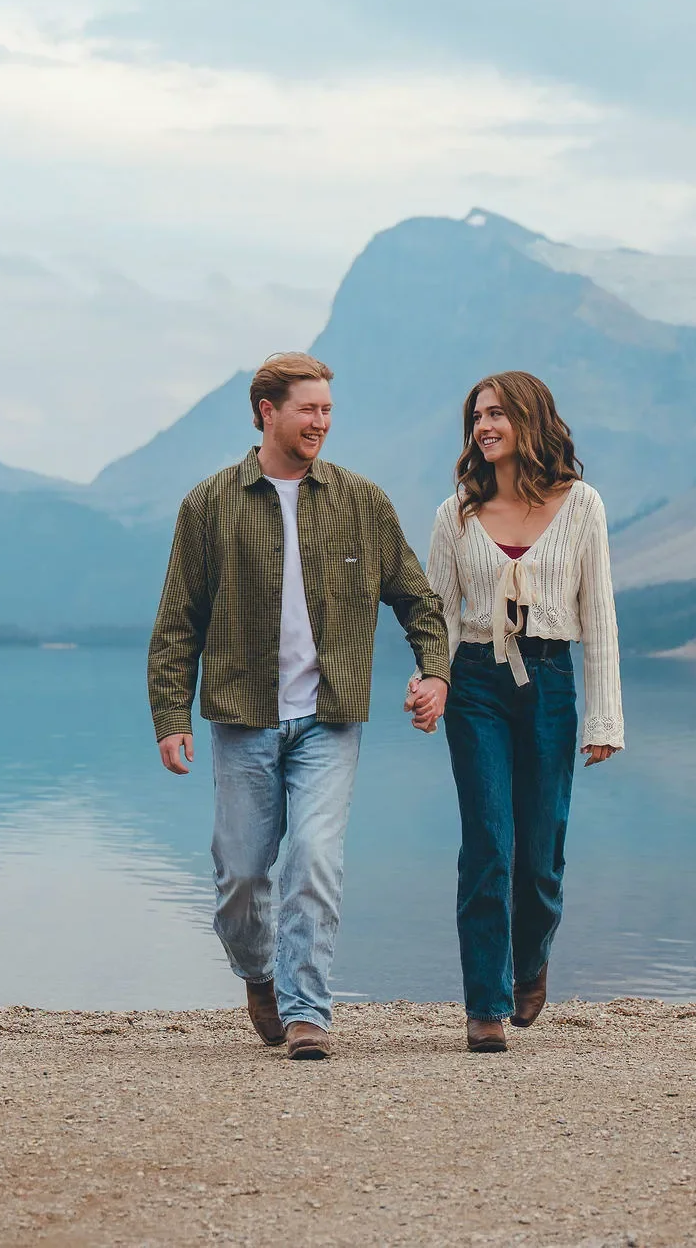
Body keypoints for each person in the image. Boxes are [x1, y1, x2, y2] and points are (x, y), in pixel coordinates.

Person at [148, 352, 451, 1061]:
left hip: (329, 717)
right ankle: (259, 975)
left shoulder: (362, 502)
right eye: (308, 410)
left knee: (314, 858)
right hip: (242, 716)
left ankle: (307, 1010)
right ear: (267, 413)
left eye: (327, 412)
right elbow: (177, 621)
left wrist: (434, 672)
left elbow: (418, 600)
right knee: (242, 874)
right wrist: (170, 716)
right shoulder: (210, 503)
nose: (320, 423)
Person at [417, 370, 622, 1054]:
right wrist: (432, 681)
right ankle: (486, 1004)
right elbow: (439, 615)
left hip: (552, 681)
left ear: (531, 420)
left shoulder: (583, 505)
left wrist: (604, 718)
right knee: (488, 844)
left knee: (540, 854)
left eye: (498, 413)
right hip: (476, 682)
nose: (484, 426)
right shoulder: (457, 514)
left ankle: (530, 962)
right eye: (477, 415)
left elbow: (601, 614)